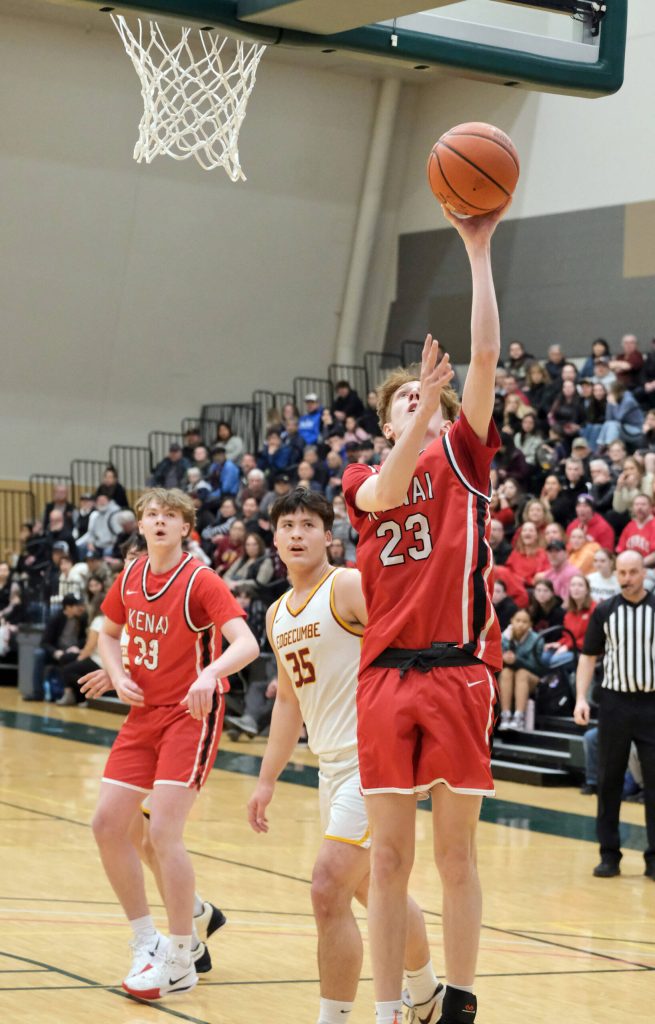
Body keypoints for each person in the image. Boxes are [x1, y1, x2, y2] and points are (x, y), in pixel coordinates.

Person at [342, 199, 510, 1024]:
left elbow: (483, 351)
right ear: (386, 420)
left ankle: (462, 1001)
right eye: (403, 398)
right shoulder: (360, 482)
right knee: (387, 861)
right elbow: (387, 488)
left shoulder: (466, 457)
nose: (419, 399)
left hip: (455, 671)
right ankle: (385, 1009)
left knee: (452, 852)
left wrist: (476, 249)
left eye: (427, 396)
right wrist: (419, 414)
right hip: (383, 678)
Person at [248, 490, 441, 1024]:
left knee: (327, 886)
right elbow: (289, 701)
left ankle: (335, 1017)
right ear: (275, 540)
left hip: (374, 760)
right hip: (329, 766)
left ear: (328, 536)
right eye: (287, 525)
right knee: (369, 887)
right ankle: (425, 993)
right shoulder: (277, 614)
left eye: (308, 524)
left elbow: (409, 644)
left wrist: (417, 738)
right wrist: (267, 781)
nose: (296, 534)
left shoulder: (349, 585)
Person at [91, 487, 259, 1000]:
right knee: (106, 824)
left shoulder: (200, 580)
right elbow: (107, 633)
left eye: (170, 516)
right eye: (152, 515)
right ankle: (147, 941)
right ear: (140, 525)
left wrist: (209, 674)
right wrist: (117, 675)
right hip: (143, 716)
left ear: (186, 527)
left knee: (163, 831)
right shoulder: (131, 575)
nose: (160, 522)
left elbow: (248, 644)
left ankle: (181, 957)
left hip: (191, 715)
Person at [574, 551, 655, 879]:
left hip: (652, 704)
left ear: (643, 573)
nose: (626, 578)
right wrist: (581, 698)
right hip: (615, 704)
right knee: (607, 782)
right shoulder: (605, 610)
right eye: (621, 572)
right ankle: (609, 855)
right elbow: (588, 657)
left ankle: (654, 859)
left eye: (633, 572)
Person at [498, 609, 544, 731]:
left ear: (530, 624)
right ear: (512, 621)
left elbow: (537, 667)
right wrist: (502, 659)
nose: (520, 624)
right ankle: (505, 716)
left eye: (525, 621)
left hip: (531, 678)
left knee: (521, 673)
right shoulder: (503, 637)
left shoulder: (537, 639)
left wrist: (516, 660)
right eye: (518, 620)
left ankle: (519, 717)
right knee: (506, 672)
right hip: (508, 678)